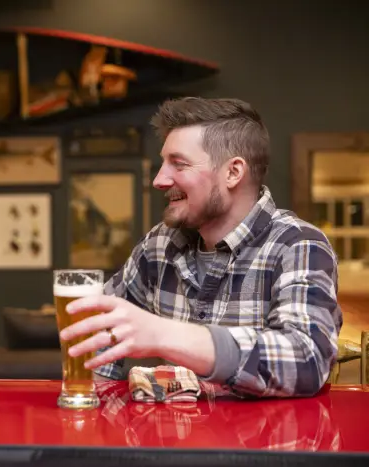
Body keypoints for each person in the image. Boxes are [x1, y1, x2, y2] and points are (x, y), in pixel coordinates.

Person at [59, 97, 342, 398]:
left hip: (266, 444)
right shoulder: (158, 245)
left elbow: (308, 359)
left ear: (233, 172)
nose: (158, 179)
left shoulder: (298, 245)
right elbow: (95, 336)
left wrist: (163, 335)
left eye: (178, 164)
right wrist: (97, 414)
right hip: (172, 442)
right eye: (163, 163)